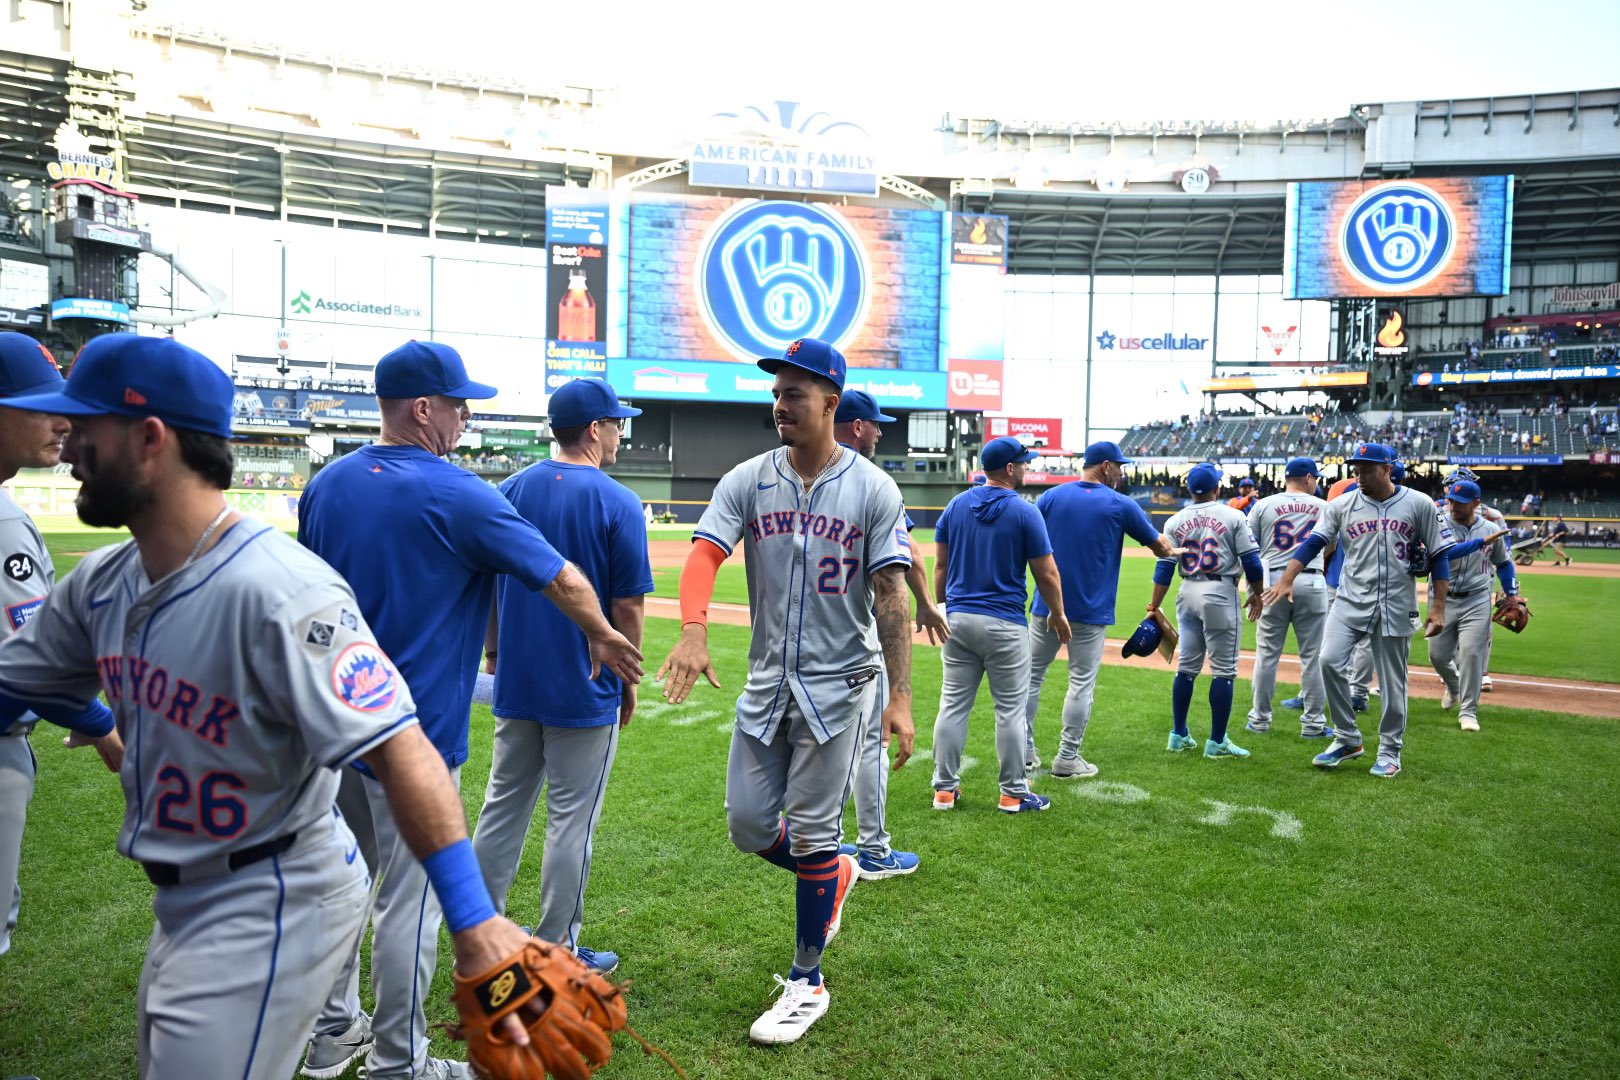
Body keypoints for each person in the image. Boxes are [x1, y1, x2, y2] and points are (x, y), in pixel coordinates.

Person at [0, 335, 536, 1078]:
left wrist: (476, 926)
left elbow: (402, 746)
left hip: (271, 901)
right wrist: (93, 724)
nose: (68, 441)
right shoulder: (101, 582)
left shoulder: (281, 591)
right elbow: (15, 683)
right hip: (184, 905)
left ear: (150, 440)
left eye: (85, 424)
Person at [298, 341, 642, 1080]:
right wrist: (603, 633)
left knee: (340, 888)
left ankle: (332, 1033)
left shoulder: (326, 486)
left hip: (331, 727)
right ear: (422, 409)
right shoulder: (457, 491)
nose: (463, 416)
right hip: (412, 735)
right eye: (456, 403)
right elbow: (560, 576)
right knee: (409, 904)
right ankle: (399, 1062)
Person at [656, 338, 915, 1046]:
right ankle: (834, 874)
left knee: (811, 832)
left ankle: (807, 979)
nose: (779, 405)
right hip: (769, 680)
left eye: (794, 394)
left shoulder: (873, 489)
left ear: (831, 403)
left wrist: (900, 698)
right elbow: (705, 553)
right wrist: (693, 627)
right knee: (746, 824)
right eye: (775, 393)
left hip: (842, 684)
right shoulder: (748, 479)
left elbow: (891, 595)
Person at [470, 377, 651, 976]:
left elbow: (494, 588)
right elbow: (626, 609)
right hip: (584, 684)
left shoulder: (508, 491)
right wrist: (627, 679)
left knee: (502, 808)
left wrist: (495, 655)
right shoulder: (618, 501)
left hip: (519, 679)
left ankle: (481, 930)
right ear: (595, 429)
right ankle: (559, 948)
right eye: (617, 423)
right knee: (571, 821)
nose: (621, 432)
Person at [0, 334, 118, 961]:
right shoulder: (4, 521)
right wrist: (104, 729)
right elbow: (26, 668)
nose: (63, 421)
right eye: (41, 404)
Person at [1263, 443, 1457, 778]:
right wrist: (1288, 578)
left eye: (1367, 469)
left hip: (1396, 602)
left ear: (1386, 469)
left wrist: (1438, 608)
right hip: (1351, 600)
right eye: (1356, 469)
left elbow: (1440, 554)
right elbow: (1314, 542)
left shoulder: (1419, 503)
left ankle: (1390, 750)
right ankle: (1347, 738)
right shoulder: (1341, 504)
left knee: (1393, 682)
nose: (1360, 475)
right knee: (1328, 660)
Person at [831, 389, 945, 879]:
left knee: (825, 745)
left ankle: (827, 849)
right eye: (876, 424)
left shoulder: (797, 473)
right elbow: (911, 558)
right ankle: (873, 850)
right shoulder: (873, 482)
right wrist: (924, 601)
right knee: (872, 742)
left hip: (808, 640)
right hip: (861, 635)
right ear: (856, 426)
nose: (880, 431)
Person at [931, 436, 1069, 812]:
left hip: (957, 619)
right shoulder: (1025, 511)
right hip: (1004, 623)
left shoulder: (956, 505)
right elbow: (1048, 573)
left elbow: (940, 566)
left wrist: (941, 606)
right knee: (1010, 710)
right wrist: (1057, 613)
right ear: (1009, 469)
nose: (1027, 468)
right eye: (1023, 463)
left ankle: (944, 790)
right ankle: (1013, 793)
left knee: (953, 705)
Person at [1024, 440, 1175, 778]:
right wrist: (1176, 551)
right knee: (1080, 683)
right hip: (1089, 611)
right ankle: (1067, 758)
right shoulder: (1121, 504)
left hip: (1047, 605)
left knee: (1031, 677)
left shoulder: (1050, 497)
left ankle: (1025, 751)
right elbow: (1160, 547)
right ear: (1105, 466)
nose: (1120, 474)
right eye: (1118, 467)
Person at [1149, 463, 1263, 759]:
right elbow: (1251, 562)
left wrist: (1154, 605)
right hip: (1219, 591)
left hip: (1186, 591)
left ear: (1189, 490)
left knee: (1186, 667)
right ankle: (1217, 742)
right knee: (1224, 671)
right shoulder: (1234, 515)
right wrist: (1258, 595)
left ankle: (1179, 734)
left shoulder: (1174, 521)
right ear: (1217, 488)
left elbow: (1164, 567)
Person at [1245, 457, 1333, 739]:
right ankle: (1313, 725)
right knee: (1313, 657)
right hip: (1311, 578)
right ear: (1307, 478)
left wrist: (1254, 591)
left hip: (1272, 583)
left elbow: (1249, 549)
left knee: (1267, 655)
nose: (1316, 482)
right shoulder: (1324, 507)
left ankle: (1259, 720)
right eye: (1315, 478)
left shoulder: (1263, 505)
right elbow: (1329, 546)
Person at [1430, 480, 1515, 732]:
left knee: (1471, 652)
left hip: (1477, 598)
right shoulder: (1440, 524)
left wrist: (1511, 592)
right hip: (1442, 598)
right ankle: (1454, 686)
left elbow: (1504, 563)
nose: (1453, 505)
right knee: (1437, 656)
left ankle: (1468, 711)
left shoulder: (1491, 528)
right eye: (1451, 500)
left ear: (1476, 504)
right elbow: (1445, 554)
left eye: (1460, 502)